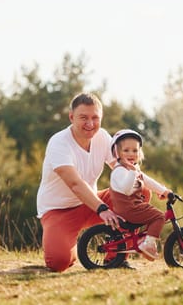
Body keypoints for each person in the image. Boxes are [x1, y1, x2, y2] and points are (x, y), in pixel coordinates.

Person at [36, 92, 123, 272]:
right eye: (83, 117)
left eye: (95, 118)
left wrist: (156, 187)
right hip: (58, 211)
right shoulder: (59, 143)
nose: (90, 124)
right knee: (59, 263)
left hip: (89, 204)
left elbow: (121, 169)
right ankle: (67, 243)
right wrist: (102, 209)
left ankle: (117, 257)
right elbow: (75, 184)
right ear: (71, 117)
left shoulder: (103, 137)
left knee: (139, 191)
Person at [109, 129, 172, 261]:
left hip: (132, 207)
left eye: (135, 150)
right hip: (129, 209)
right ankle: (148, 244)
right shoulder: (119, 171)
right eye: (126, 150)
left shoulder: (134, 169)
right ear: (117, 152)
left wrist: (163, 191)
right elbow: (126, 189)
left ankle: (144, 240)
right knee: (159, 216)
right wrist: (132, 172)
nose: (131, 154)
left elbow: (147, 181)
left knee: (152, 216)